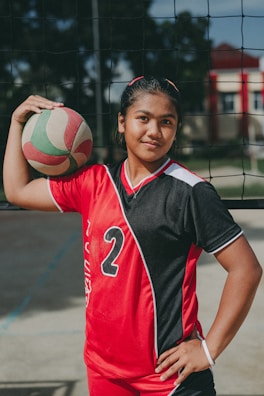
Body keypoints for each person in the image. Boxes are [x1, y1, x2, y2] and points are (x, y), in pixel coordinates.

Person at [3, 76, 262, 396]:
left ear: (176, 128)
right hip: (104, 369)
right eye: (143, 118)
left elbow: (246, 269)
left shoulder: (191, 193)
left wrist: (209, 350)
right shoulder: (93, 182)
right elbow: (18, 190)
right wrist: (17, 123)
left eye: (166, 122)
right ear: (122, 122)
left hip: (168, 376)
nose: (154, 131)